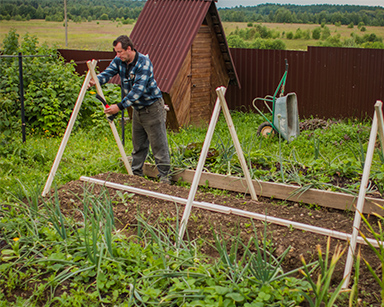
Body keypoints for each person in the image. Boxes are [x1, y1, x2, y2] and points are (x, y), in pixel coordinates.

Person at [88, 35, 171, 184]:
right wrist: (95, 80)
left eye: (120, 52)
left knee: (158, 144)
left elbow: (137, 91)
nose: (117, 55)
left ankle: (165, 177)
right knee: (138, 144)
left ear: (129, 49)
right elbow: (108, 73)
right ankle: (136, 176)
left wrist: (118, 107)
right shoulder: (119, 61)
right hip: (137, 109)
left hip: (152, 107)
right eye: (116, 52)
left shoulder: (143, 63)